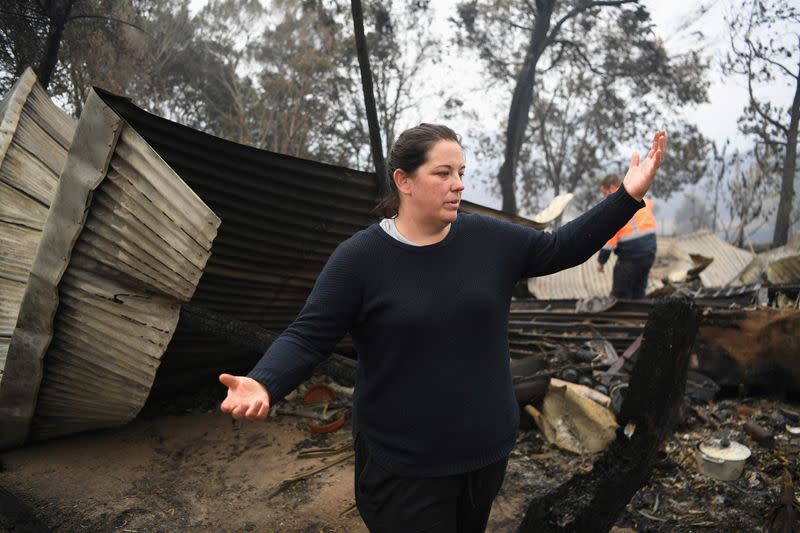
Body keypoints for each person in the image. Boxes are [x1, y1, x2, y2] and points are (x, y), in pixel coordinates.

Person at [219, 125, 666, 532]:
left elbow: (560, 247)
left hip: (484, 454)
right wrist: (264, 381)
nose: (459, 184)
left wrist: (627, 195)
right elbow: (307, 334)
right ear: (404, 181)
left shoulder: (487, 240)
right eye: (444, 172)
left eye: (461, 171)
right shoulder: (361, 259)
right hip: (405, 466)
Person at [596, 173, 658, 300]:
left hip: (631, 256)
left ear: (613, 187)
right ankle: (638, 318)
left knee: (620, 296)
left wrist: (601, 262)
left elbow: (610, 241)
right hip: (649, 253)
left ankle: (620, 318)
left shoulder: (617, 206)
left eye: (605, 193)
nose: (605, 198)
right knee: (638, 293)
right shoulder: (642, 197)